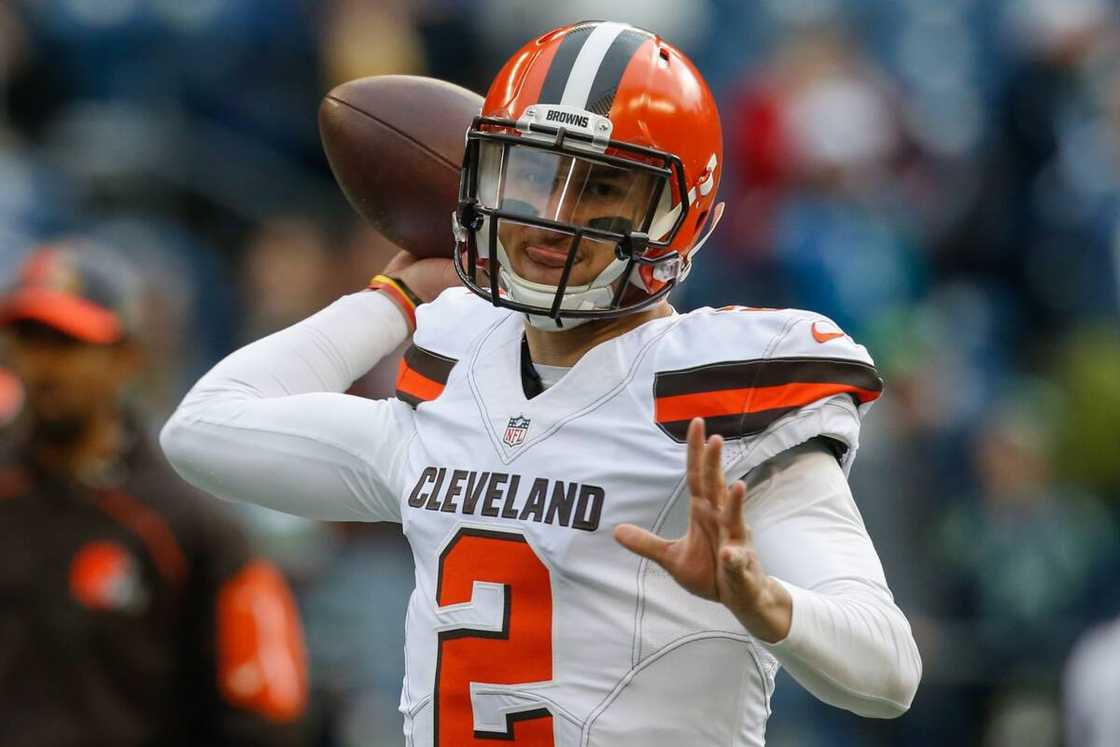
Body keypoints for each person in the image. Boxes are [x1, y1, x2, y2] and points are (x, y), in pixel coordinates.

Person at [162, 21, 921, 745]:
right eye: (535, 175)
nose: (555, 218)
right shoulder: (456, 375)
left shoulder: (714, 402)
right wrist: (392, 299)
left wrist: (762, 602)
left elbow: (889, 670)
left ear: (682, 216)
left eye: (601, 189)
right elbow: (204, 431)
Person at [0, 243, 310, 746]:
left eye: (68, 343)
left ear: (127, 357)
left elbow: (265, 712)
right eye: (30, 340)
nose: (46, 366)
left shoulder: (190, 524)